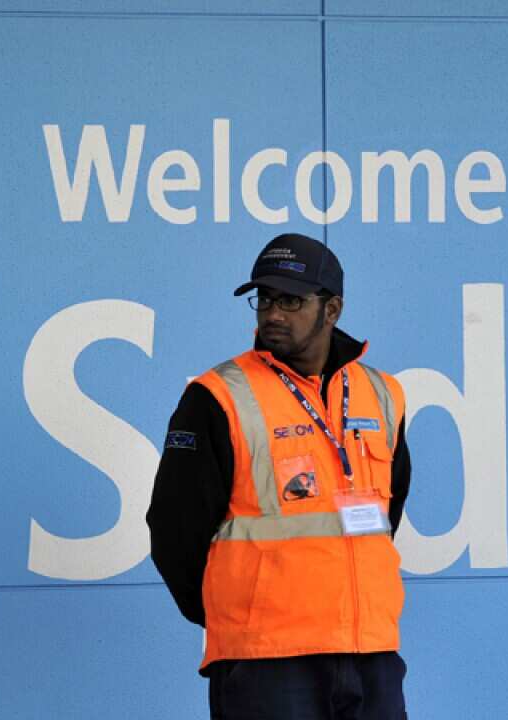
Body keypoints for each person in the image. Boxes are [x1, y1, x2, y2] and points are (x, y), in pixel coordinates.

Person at [147, 232, 412, 719]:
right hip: (265, 662)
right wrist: (234, 617)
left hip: (371, 653)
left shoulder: (383, 393)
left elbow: (387, 514)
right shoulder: (218, 396)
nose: (272, 313)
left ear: (332, 309)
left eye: (290, 300)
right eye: (263, 299)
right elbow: (173, 530)